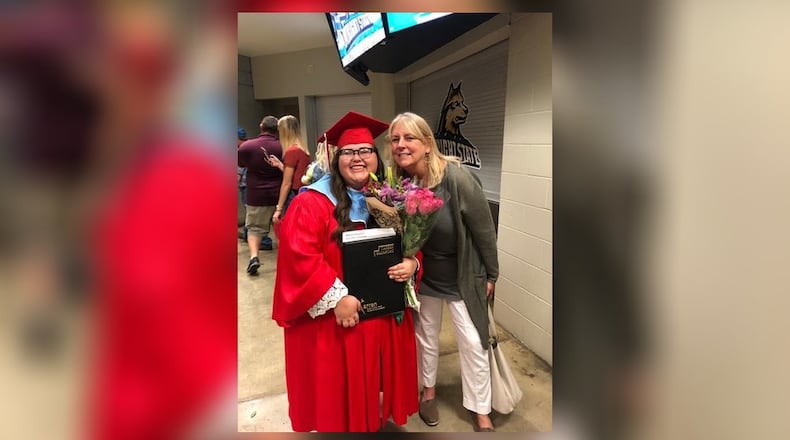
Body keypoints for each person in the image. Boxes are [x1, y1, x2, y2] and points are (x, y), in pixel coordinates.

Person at [272, 111, 420, 432]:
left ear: (375, 157)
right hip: (337, 320)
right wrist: (337, 297)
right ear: (335, 157)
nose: (358, 159)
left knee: (368, 383)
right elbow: (299, 258)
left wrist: (412, 262)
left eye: (365, 151)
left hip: (377, 315)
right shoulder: (311, 202)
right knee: (337, 389)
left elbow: (410, 243)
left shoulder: (386, 197)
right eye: (349, 152)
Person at [388, 112, 499, 432]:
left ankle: (481, 409)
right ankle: (429, 391)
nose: (401, 145)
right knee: (426, 338)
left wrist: (492, 275)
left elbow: (484, 231)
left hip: (463, 274)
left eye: (409, 138)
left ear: (427, 144)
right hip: (424, 276)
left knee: (473, 341)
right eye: (396, 139)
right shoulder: (402, 182)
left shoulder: (457, 177)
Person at [238, 115, 283, 275]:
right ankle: (284, 262)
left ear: (261, 126)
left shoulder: (247, 147)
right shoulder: (283, 146)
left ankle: (254, 257)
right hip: (279, 194)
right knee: (282, 229)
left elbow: (241, 164)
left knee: (254, 228)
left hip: (256, 195)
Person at [269, 115, 311, 223]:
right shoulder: (302, 149)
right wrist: (280, 165)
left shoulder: (291, 152)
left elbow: (287, 183)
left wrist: (279, 209)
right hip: (304, 194)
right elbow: (298, 175)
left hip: (294, 195)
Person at [237, 127, 249, 240]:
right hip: (251, 183)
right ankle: (246, 234)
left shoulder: (241, 150)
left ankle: (248, 235)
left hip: (246, 185)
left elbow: (239, 172)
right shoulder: (251, 147)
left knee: (249, 210)